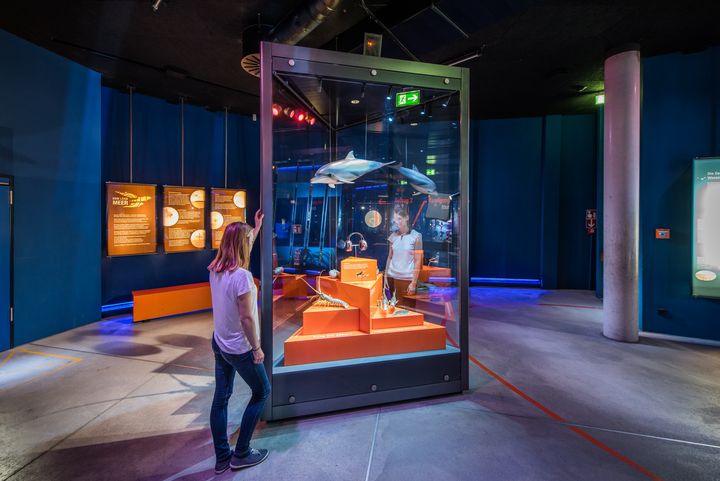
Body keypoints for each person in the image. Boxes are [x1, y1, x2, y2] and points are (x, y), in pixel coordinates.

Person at [208, 210, 270, 475]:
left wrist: (255, 228)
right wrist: (256, 349)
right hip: (239, 348)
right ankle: (242, 452)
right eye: (248, 240)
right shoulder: (242, 277)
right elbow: (246, 318)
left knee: (220, 399)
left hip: (219, 342)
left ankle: (223, 457)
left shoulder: (216, 269)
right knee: (261, 392)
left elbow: (241, 245)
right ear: (242, 245)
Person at [385, 206, 423, 305]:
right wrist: (385, 276)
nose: (397, 222)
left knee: (405, 310)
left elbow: (418, 261)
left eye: (400, 219)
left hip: (406, 278)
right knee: (390, 308)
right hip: (391, 277)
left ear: (406, 217)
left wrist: (414, 282)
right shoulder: (392, 236)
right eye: (395, 219)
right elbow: (389, 257)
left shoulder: (416, 236)